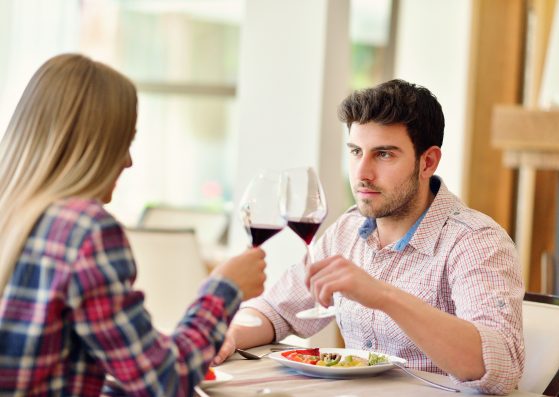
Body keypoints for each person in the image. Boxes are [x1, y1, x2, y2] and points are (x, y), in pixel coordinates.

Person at [213, 79, 525, 395]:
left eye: (384, 154)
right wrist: (230, 335)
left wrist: (382, 295)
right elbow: (275, 311)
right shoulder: (347, 230)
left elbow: (500, 369)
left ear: (427, 162)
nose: (362, 172)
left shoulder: (476, 241)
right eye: (356, 151)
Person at [0, 54, 267, 396]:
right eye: (124, 141)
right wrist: (224, 289)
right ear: (92, 145)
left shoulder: (15, 214)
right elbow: (162, 379)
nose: (129, 160)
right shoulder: (86, 231)